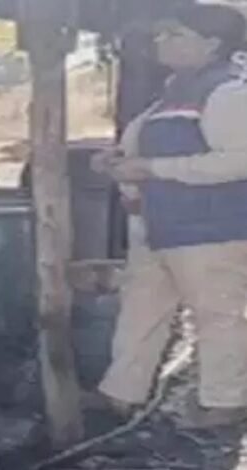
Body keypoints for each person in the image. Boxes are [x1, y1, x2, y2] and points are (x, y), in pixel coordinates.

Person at [92, 4, 247, 429]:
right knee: (141, 310)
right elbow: (137, 148)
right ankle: (121, 392)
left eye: (174, 34)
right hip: (159, 225)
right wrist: (115, 160)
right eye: (161, 34)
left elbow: (238, 160)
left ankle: (224, 402)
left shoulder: (228, 93)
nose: (161, 41)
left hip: (212, 229)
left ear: (211, 43)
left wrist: (152, 169)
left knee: (218, 315)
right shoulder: (171, 94)